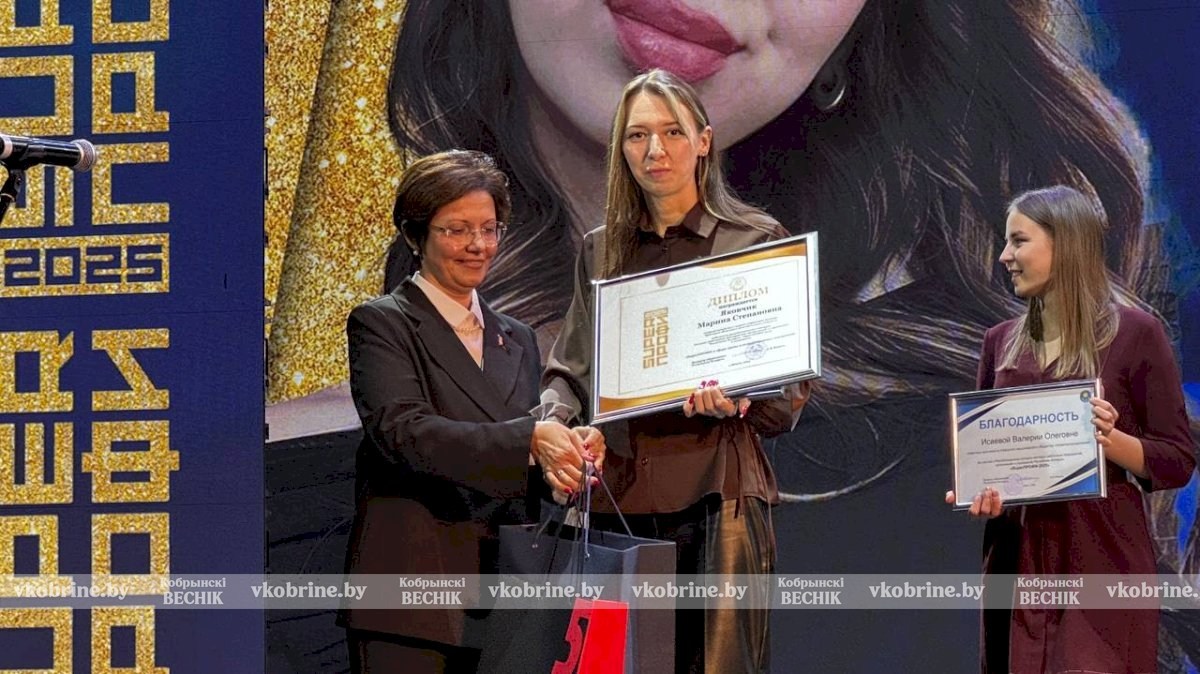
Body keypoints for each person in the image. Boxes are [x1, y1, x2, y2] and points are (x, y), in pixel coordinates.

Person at [538, 69, 812, 674]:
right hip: (620, 498)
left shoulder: (754, 240)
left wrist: (740, 397)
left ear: (704, 141)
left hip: (720, 494)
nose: (654, 150)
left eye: (672, 133)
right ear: (621, 148)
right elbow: (570, 371)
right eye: (637, 135)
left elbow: (788, 396)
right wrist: (559, 426)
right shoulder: (600, 251)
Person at [338, 150, 601, 673]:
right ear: (415, 235)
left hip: (504, 591)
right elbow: (403, 432)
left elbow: (515, 462)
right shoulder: (382, 323)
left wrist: (567, 461)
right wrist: (531, 439)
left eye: (489, 228)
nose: (478, 245)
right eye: (457, 230)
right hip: (411, 592)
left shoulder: (517, 337)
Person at [946, 185, 1196, 673]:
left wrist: (1110, 440)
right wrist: (980, 491)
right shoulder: (998, 342)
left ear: (1065, 245)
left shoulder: (1137, 334)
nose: (1004, 256)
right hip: (1017, 562)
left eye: (1018, 241)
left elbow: (1177, 460)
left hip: (1100, 560)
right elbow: (987, 455)